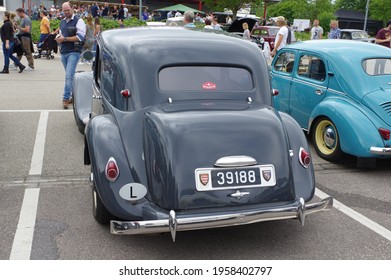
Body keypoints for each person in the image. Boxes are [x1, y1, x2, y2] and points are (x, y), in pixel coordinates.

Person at [55, 2, 86, 109]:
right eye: (64, 10)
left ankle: (65, 98)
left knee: (68, 76)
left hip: (74, 51)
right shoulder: (62, 22)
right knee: (70, 76)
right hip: (63, 51)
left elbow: (80, 37)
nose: (66, 12)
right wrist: (59, 37)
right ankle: (74, 96)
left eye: (68, 10)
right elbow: (62, 35)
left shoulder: (79, 21)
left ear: (73, 8)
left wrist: (64, 39)